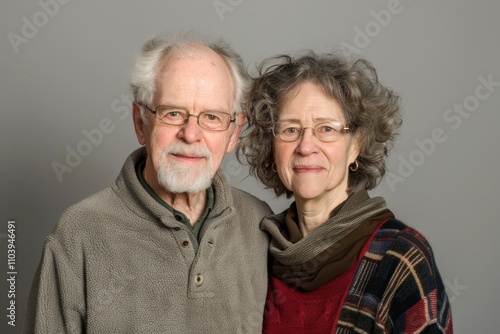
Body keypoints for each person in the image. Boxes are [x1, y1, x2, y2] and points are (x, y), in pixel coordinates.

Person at [22, 31, 273, 333]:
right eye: (173, 113)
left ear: (233, 132)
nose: (190, 134)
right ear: (141, 122)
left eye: (212, 117)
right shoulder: (78, 234)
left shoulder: (260, 224)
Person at [237, 51, 453, 333]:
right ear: (272, 144)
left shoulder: (400, 257)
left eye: (326, 128)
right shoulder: (254, 252)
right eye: (291, 129)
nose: (306, 146)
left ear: (356, 146)